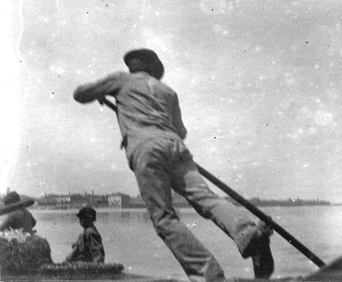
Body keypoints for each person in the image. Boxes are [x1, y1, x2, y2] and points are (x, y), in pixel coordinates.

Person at [73, 48, 274, 281]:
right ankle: (249, 233)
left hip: (146, 149)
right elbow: (181, 131)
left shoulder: (121, 80)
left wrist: (102, 92)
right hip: (176, 146)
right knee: (206, 199)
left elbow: (79, 94)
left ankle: (209, 275)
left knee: (164, 219)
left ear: (132, 66)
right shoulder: (167, 91)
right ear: (155, 69)